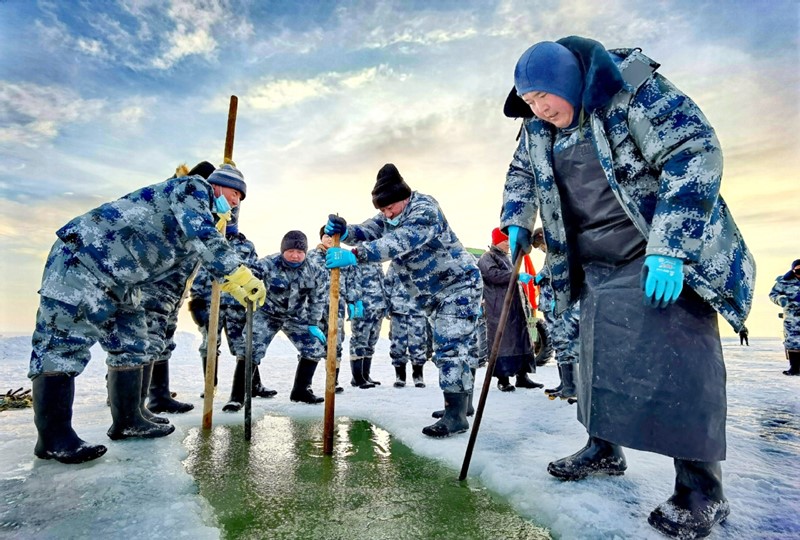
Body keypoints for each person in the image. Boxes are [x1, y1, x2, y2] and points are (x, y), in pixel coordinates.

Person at [501, 37, 755, 538]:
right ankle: (603, 450)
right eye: (528, 102)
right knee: (597, 364)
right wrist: (514, 219)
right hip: (593, 263)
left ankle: (702, 491)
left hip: (656, 253)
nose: (538, 109)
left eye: (543, 97)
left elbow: (694, 150)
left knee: (684, 369)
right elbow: (520, 175)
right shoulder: (537, 128)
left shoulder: (632, 91)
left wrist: (671, 246)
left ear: (569, 82)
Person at [29, 162, 266, 464]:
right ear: (216, 184)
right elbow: (202, 235)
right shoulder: (193, 189)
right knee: (63, 344)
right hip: (87, 260)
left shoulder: (206, 211)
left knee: (134, 344)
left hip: (126, 279)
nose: (235, 202)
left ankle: (128, 420)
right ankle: (53, 438)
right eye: (234, 193)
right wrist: (238, 275)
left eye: (240, 199)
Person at [324, 163, 483, 438]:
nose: (387, 214)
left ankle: (455, 416)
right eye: (383, 210)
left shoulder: (424, 210)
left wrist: (356, 255)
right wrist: (345, 231)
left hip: (458, 286)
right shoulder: (389, 215)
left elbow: (398, 242)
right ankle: (461, 405)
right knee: (457, 347)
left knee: (449, 346)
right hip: (434, 295)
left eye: (391, 208)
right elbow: (366, 231)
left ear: (404, 198)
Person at [188, 206, 277, 412]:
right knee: (209, 343)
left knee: (244, 346)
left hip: (239, 304)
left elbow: (255, 270)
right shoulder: (206, 241)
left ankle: (253, 385)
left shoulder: (246, 245)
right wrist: (197, 301)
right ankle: (210, 384)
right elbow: (196, 274)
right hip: (211, 303)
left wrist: (252, 290)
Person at [250, 230, 329, 405]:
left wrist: (313, 324)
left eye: (300, 252)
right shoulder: (268, 263)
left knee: (314, 348)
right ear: (283, 251)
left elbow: (318, 299)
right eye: (291, 251)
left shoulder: (315, 270)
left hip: (296, 316)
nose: (295, 256)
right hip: (267, 313)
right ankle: (239, 394)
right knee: (249, 348)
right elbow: (249, 277)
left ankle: (301, 391)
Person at [479, 228, 543, 392]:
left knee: (521, 340)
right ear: (497, 241)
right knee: (503, 343)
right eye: (505, 240)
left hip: (515, 307)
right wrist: (516, 274)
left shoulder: (506, 257)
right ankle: (503, 379)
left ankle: (522, 376)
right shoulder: (488, 257)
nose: (508, 243)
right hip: (499, 308)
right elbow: (493, 275)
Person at [532, 227, 579, 402]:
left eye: (540, 245)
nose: (541, 249)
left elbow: (555, 273)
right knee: (559, 344)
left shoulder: (559, 253)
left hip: (557, 307)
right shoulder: (550, 255)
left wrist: (538, 276)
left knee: (563, 343)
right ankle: (564, 384)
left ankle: (570, 386)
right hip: (549, 306)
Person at [306, 226, 347, 393]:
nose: (329, 239)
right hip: (315, 308)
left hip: (336, 307)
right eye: (326, 236)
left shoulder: (342, 257)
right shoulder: (311, 256)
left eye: (333, 236)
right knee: (312, 344)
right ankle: (305, 384)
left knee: (336, 344)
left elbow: (351, 280)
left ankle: (333, 380)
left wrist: (354, 300)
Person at [344, 258, 388, 388]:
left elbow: (382, 281)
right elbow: (351, 282)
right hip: (363, 306)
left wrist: (386, 303)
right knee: (359, 341)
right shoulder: (354, 261)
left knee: (371, 342)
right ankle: (357, 377)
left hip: (378, 306)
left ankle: (365, 375)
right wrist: (354, 302)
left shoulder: (377, 261)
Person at [385, 262, 428, 388]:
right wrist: (387, 306)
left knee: (418, 343)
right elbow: (387, 284)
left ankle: (418, 375)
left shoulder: (422, 261)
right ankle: (400, 376)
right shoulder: (395, 263)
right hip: (398, 309)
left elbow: (429, 285)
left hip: (418, 310)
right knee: (398, 344)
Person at [769, 259, 800, 375]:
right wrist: (780, 299)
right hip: (792, 318)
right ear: (793, 270)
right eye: (798, 270)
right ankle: (794, 368)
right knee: (792, 342)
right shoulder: (784, 282)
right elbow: (773, 294)